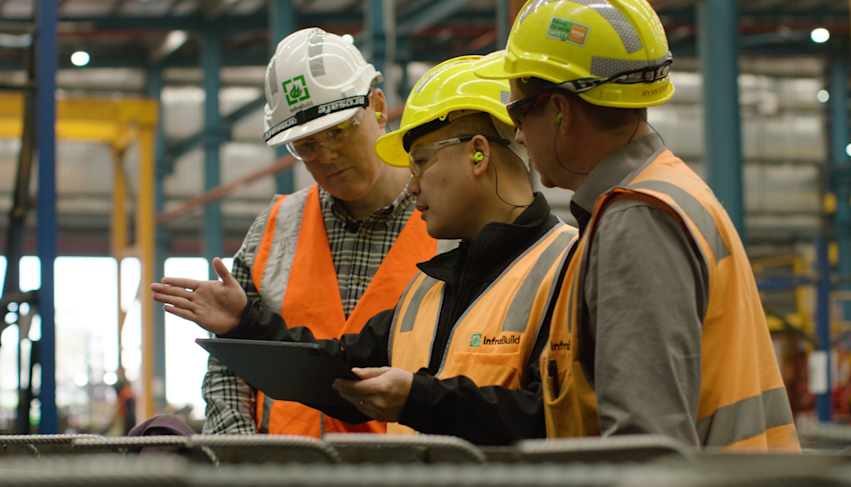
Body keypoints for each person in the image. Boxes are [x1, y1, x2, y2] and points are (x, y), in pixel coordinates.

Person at [153, 55, 577, 446]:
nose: (413, 186)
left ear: (479, 153)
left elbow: (569, 422)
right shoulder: (430, 292)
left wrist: (419, 399)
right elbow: (337, 373)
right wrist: (246, 323)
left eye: (422, 163)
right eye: (307, 146)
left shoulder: (570, 267)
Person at [474, 0, 800, 451]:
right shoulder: (670, 191)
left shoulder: (638, 222)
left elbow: (648, 451)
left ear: (560, 112)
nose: (520, 136)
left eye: (519, 113)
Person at [152, 28, 439, 438]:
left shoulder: (448, 221)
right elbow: (230, 368)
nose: (327, 155)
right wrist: (240, 457)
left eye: (339, 131)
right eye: (306, 146)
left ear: (378, 107)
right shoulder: (275, 228)